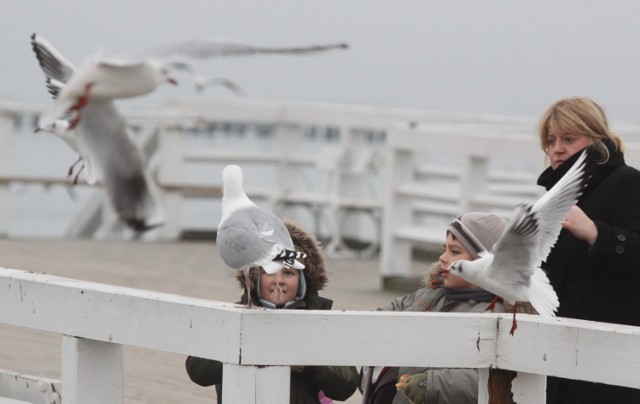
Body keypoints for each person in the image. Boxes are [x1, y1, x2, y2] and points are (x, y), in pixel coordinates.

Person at [185, 220, 359, 403]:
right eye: (270, 272)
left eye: (289, 273)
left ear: (303, 280)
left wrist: (304, 357)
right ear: (254, 277)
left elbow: (346, 386)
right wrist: (242, 343)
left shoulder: (319, 322)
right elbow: (198, 371)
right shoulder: (233, 317)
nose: (279, 280)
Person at [536, 97, 640, 403]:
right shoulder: (555, 197)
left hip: (614, 356)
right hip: (560, 353)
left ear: (597, 139)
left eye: (569, 139)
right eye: (551, 140)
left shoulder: (628, 183)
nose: (557, 149)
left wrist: (597, 234)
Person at [361, 212, 508, 404]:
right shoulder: (429, 294)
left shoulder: (495, 314)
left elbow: (491, 381)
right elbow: (378, 319)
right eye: (444, 249)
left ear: (484, 263)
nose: (443, 258)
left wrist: (429, 384)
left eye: (454, 252)